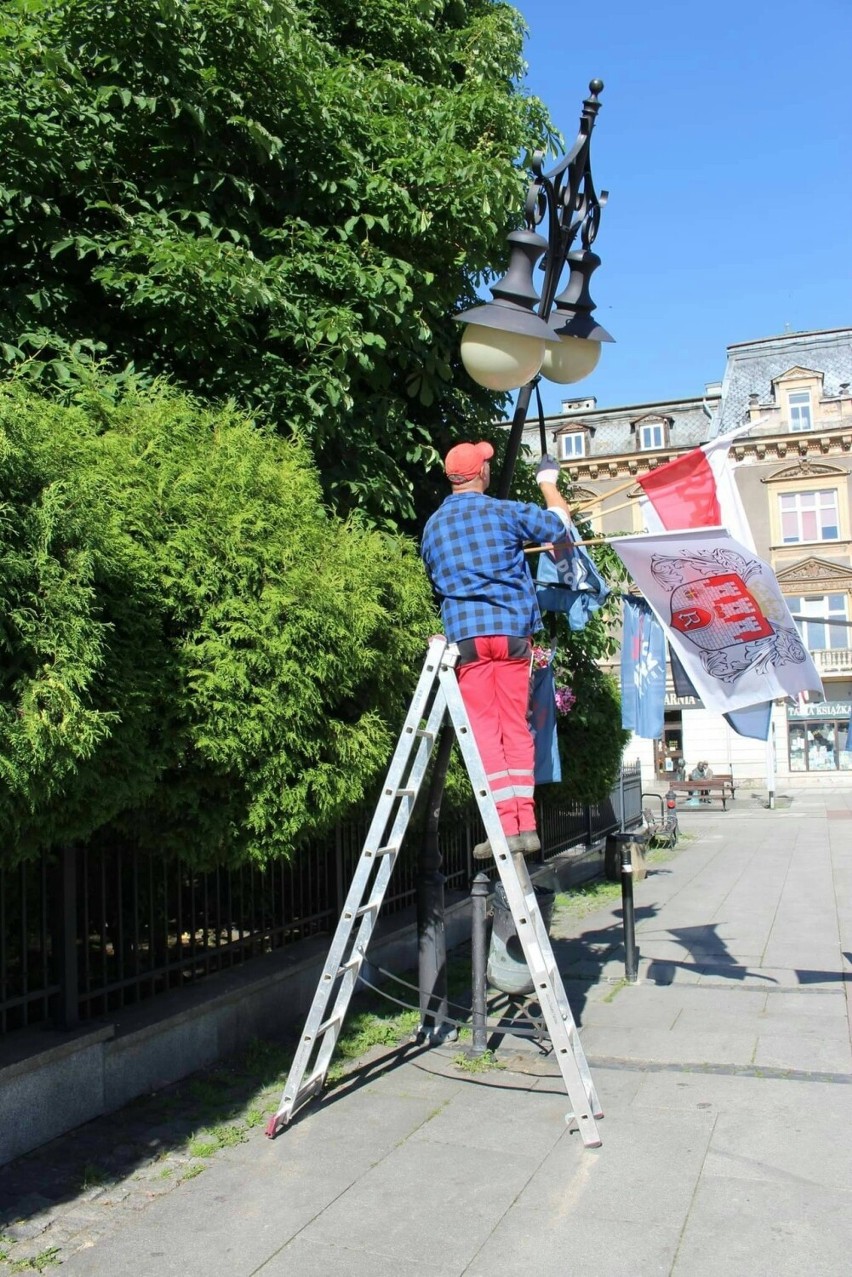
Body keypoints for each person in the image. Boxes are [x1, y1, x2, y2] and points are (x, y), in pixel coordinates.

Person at [420, 440, 572, 859]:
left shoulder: (433, 527)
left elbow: (435, 579)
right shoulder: (503, 512)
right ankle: (526, 824)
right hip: (510, 637)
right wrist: (548, 483)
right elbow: (559, 525)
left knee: (484, 732)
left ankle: (502, 827)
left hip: (467, 640)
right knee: (516, 728)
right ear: (481, 473)